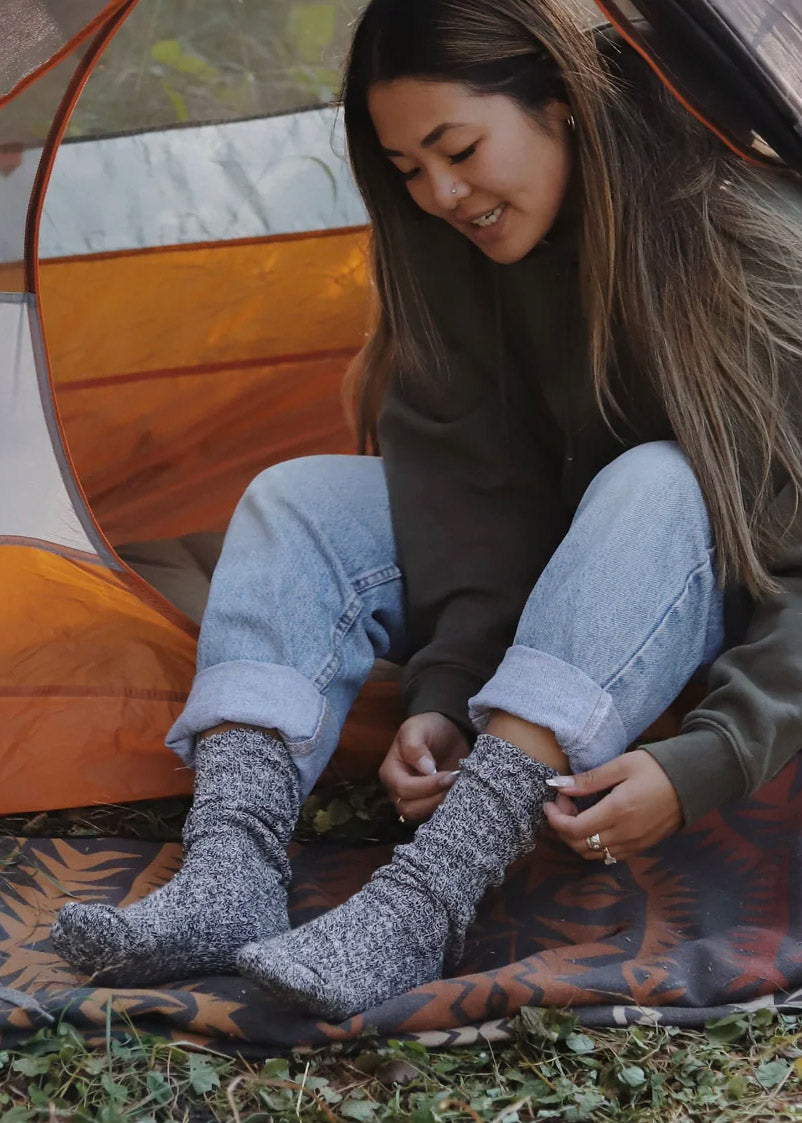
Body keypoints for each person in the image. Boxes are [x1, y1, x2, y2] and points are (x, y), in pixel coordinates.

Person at [52, 0, 802, 1022]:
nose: (441, 194)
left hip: (712, 584)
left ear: (560, 103)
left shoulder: (732, 234)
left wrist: (710, 757)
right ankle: (227, 870)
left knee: (656, 478)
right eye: (407, 169)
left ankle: (425, 896)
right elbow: (468, 491)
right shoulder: (450, 248)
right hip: (555, 579)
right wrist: (444, 693)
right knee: (295, 498)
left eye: (457, 150)